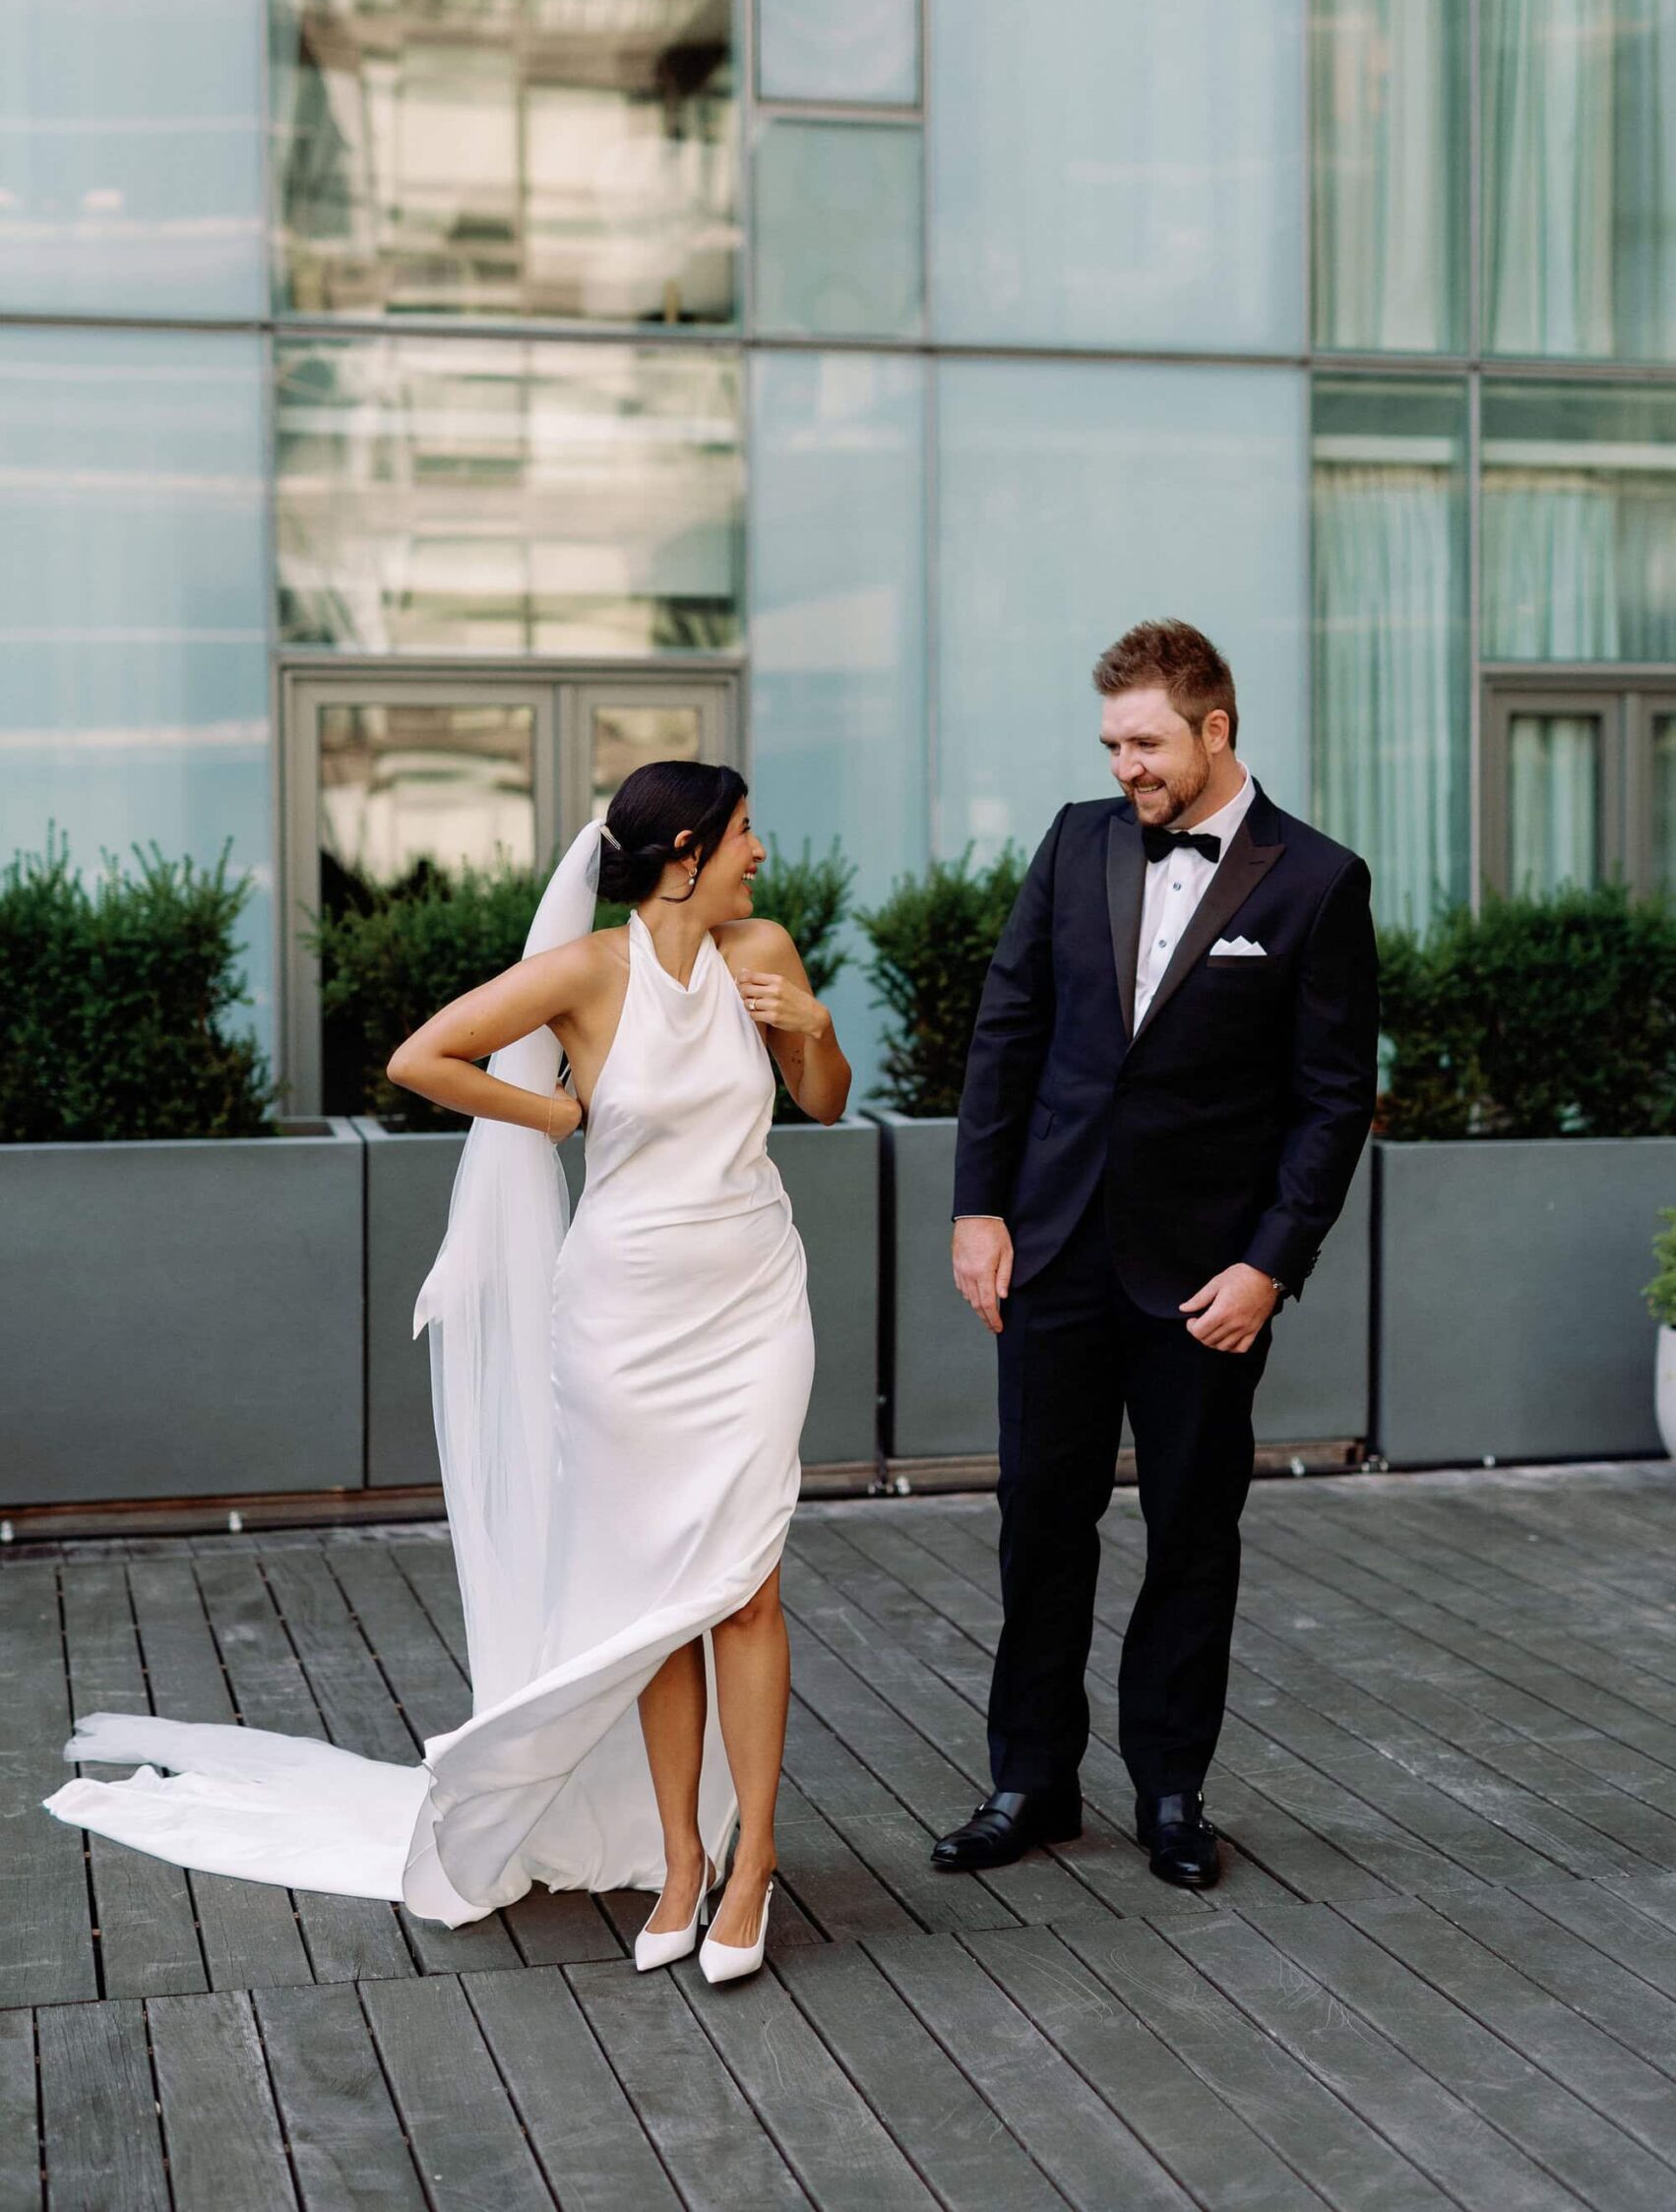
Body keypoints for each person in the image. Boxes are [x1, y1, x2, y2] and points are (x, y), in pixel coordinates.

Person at [45, 763, 850, 1989]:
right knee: (657, 1603)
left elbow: (825, 1105)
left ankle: (753, 1861)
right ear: (687, 849)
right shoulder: (587, 970)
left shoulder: (766, 946)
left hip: (750, 1300)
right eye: (745, 831)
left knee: (744, 1584)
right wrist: (558, 1119)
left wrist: (812, 1027)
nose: (760, 851)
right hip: (625, 1320)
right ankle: (681, 1858)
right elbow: (423, 1057)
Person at [930, 621, 1378, 1890]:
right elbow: (1005, 1031)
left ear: (1214, 729)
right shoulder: (1075, 844)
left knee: (1191, 1530)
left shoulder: (1315, 882)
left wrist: (1268, 1265)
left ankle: (1171, 1789)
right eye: (1111, 743)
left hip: (1205, 1280)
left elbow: (1330, 1099)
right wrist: (978, 1209)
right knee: (1037, 1523)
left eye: (1145, 741)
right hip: (1054, 1250)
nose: (1125, 765)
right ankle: (1029, 1779)